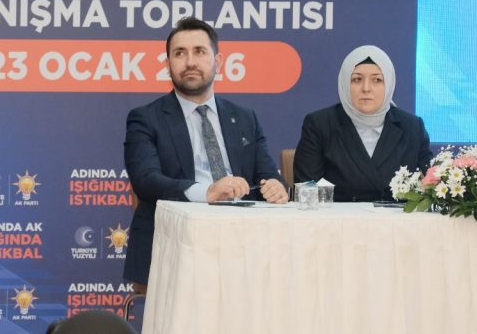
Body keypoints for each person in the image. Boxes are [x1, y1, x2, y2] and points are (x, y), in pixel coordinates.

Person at [123, 17, 288, 287]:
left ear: (218, 61)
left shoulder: (245, 118)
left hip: (246, 244)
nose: (190, 62)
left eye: (199, 51)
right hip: (178, 247)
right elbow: (146, 181)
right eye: (180, 53)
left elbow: (268, 175)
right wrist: (207, 192)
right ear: (167, 64)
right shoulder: (146, 118)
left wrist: (277, 187)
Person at [293, 45, 432, 202]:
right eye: (357, 79)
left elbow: (430, 186)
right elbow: (306, 189)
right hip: (337, 217)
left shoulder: (412, 127)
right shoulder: (320, 125)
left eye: (377, 80)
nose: (366, 88)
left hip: (396, 217)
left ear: (389, 84)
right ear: (345, 83)